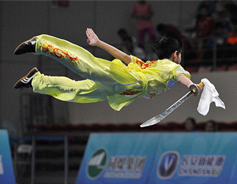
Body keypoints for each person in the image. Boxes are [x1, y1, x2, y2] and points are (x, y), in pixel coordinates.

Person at [13, 28, 203, 111]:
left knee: (77, 91)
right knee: (86, 68)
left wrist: (99, 43)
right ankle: (41, 45)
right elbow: (182, 77)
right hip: (128, 80)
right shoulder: (173, 67)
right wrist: (192, 85)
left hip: (123, 90)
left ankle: (37, 80)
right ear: (176, 54)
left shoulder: (153, 66)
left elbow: (123, 56)